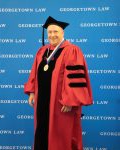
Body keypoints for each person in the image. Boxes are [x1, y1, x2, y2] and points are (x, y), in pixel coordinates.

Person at [24, 16, 93, 150]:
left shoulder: (72, 50)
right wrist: (32, 91)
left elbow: (75, 78)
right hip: (42, 101)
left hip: (61, 103)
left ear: (62, 33)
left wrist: (70, 100)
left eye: (55, 31)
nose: (52, 35)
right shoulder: (42, 51)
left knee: (62, 136)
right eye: (50, 32)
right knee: (42, 131)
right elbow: (34, 72)